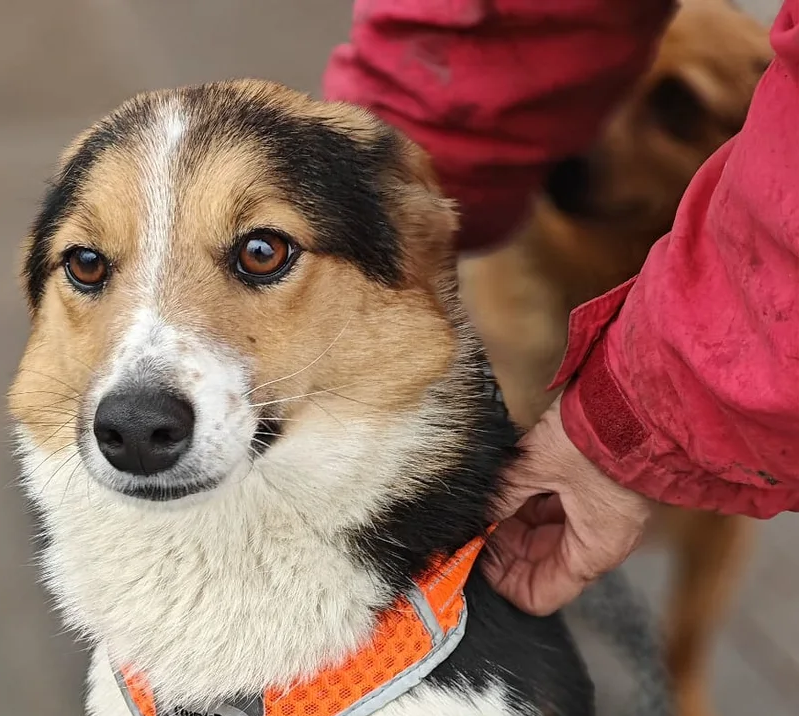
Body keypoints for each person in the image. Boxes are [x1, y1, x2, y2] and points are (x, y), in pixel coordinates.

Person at [324, 0, 799, 615]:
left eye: (674, 109)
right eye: (609, 90)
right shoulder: (507, 293)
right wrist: (382, 182)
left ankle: (681, 683)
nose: (596, 139)